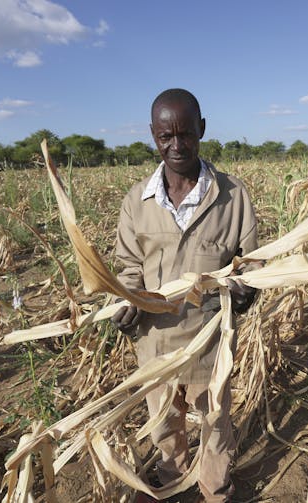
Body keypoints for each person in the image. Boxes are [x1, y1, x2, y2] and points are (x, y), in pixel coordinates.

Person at [111, 88, 259, 503]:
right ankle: (171, 477)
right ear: (153, 136)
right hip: (154, 341)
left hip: (210, 341)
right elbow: (129, 268)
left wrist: (248, 288)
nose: (177, 146)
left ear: (202, 130)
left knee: (215, 421)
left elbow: (249, 263)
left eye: (186, 134)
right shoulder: (136, 202)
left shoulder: (233, 197)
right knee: (163, 421)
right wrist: (125, 302)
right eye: (166, 136)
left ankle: (216, 489)